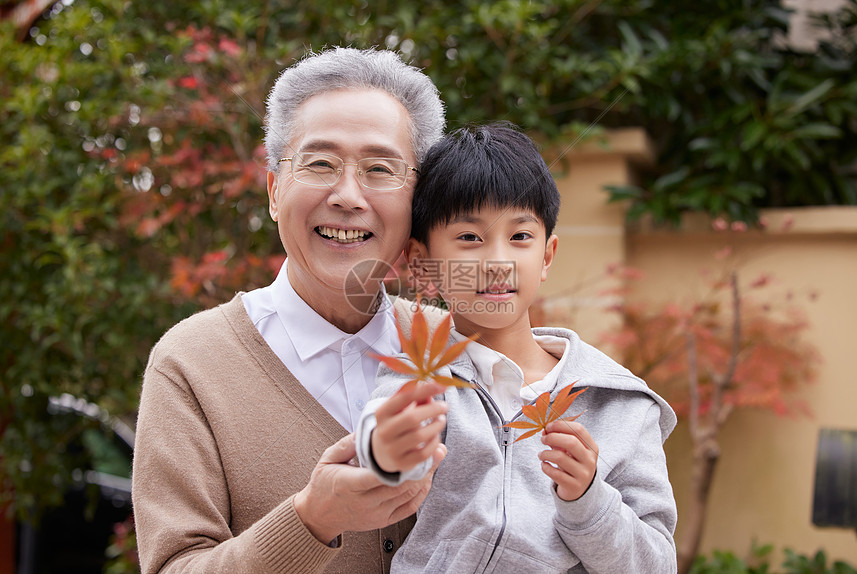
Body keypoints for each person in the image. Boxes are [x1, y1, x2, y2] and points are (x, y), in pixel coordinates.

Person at [131, 47, 451, 574]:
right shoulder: (191, 364)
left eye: (380, 168)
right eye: (320, 163)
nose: (348, 196)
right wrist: (311, 519)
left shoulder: (456, 346)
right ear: (275, 190)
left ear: (419, 201)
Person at [355, 123, 679, 573]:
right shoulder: (422, 372)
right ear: (422, 261)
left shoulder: (619, 404)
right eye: (469, 238)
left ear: (547, 256)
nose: (496, 262)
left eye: (520, 237)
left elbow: (656, 564)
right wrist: (384, 449)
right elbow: (381, 447)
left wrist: (589, 500)